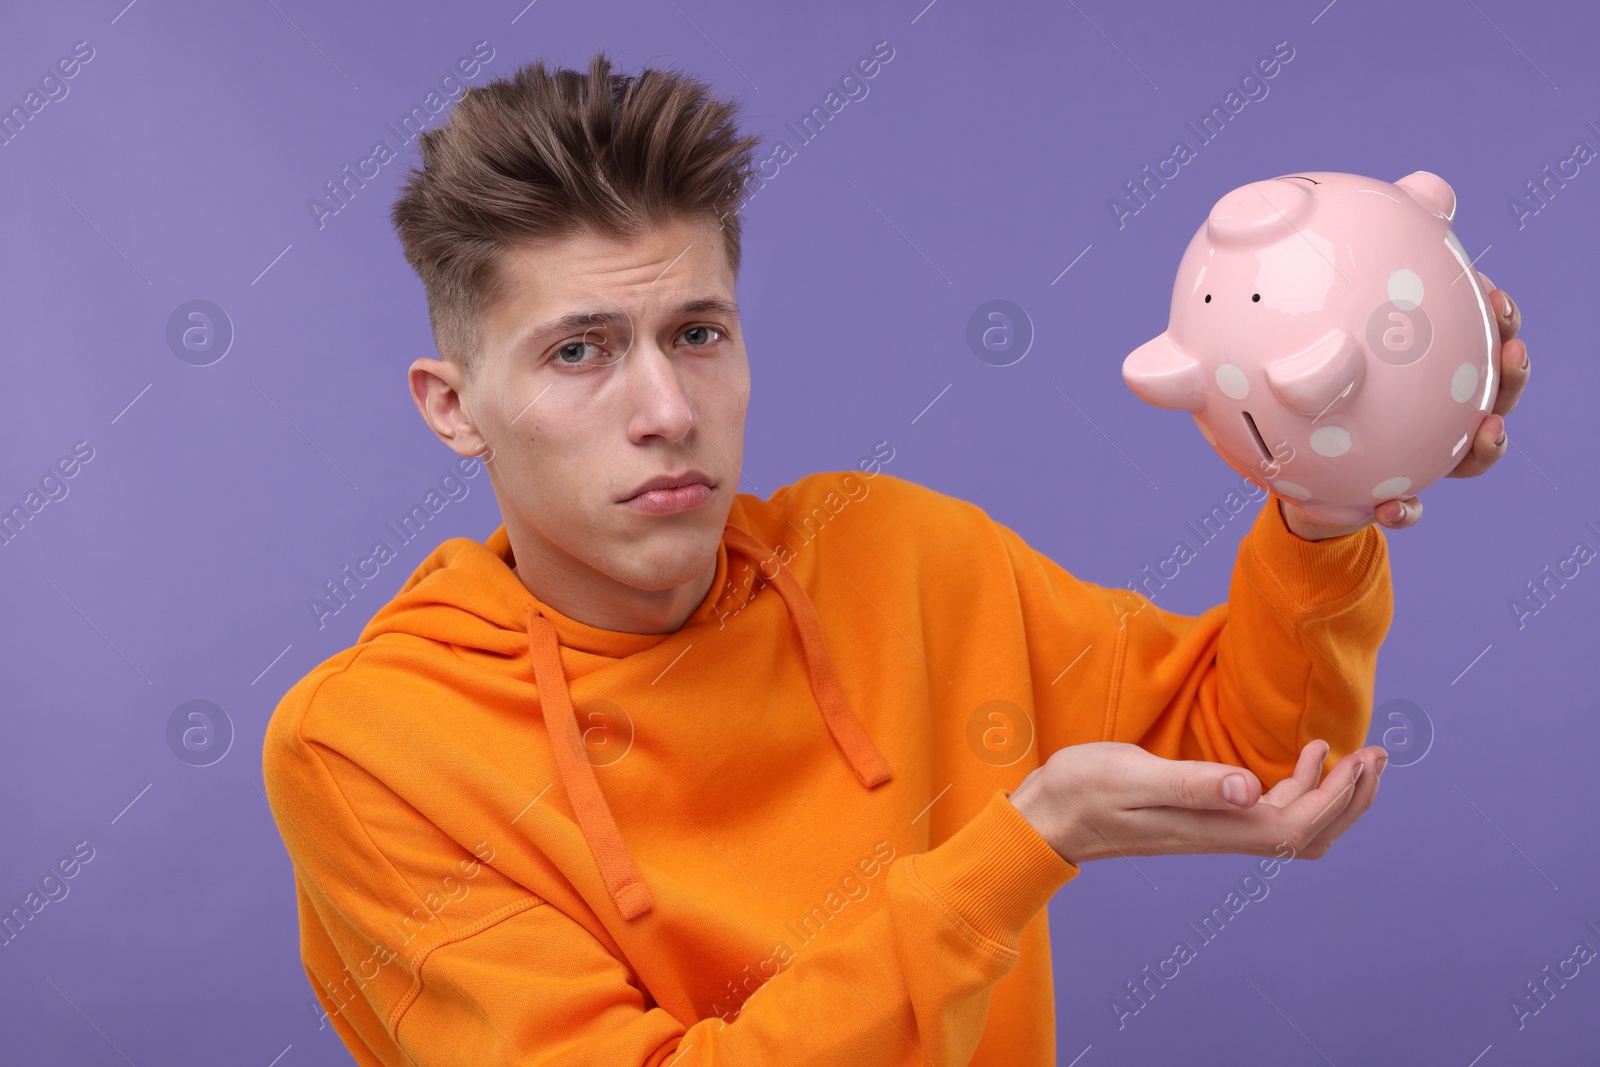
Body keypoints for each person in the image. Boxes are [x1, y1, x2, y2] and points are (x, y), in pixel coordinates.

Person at [261, 49, 1530, 1067]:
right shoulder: (372, 747)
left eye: (696, 331)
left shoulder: (892, 552)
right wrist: (1020, 845)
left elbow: (1259, 757)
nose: (664, 406)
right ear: (451, 403)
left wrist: (1330, 480)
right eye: (579, 351)